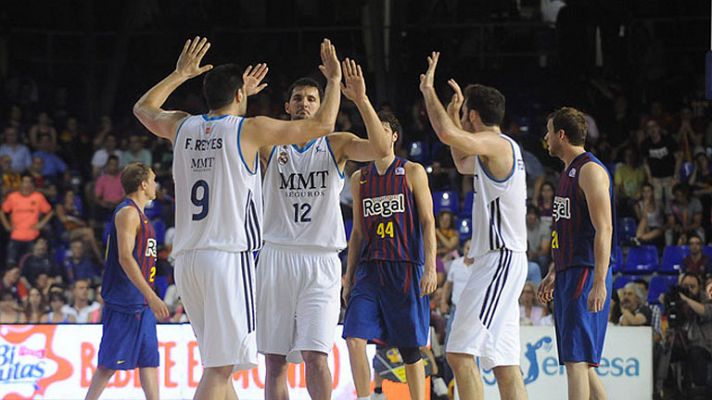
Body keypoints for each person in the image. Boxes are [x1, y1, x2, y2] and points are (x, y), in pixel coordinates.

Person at [132, 36, 342, 400]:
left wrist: (180, 74)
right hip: (227, 258)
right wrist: (335, 82)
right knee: (220, 369)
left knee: (220, 365)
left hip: (187, 261)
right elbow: (322, 126)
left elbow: (143, 109)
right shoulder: (249, 130)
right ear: (241, 96)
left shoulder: (182, 126)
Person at [257, 58, 390, 400]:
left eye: (311, 98)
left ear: (322, 105)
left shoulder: (336, 143)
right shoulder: (270, 141)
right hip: (276, 255)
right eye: (298, 98)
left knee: (317, 356)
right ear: (287, 106)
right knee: (275, 362)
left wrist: (360, 99)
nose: (304, 103)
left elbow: (381, 149)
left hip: (320, 261)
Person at [419, 52, 528, 400]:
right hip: (503, 259)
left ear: (475, 117)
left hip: (499, 261)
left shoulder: (495, 144)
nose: (462, 119)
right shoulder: (494, 150)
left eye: (465, 114)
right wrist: (453, 116)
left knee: (459, 353)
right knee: (504, 364)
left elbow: (445, 134)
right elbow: (463, 161)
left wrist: (428, 91)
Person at [341, 110, 437, 400]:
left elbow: (428, 221)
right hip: (370, 270)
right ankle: (365, 397)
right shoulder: (360, 178)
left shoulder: (412, 171)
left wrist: (430, 267)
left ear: (394, 136)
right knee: (353, 337)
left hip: (405, 267)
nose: (376, 134)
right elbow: (357, 232)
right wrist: (349, 275)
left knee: (409, 348)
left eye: (382, 129)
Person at [538, 107, 615, 400]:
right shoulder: (568, 172)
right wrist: (554, 271)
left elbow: (603, 229)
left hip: (585, 270)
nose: (545, 137)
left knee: (576, 360)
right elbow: (568, 230)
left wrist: (599, 281)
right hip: (569, 270)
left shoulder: (590, 171)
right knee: (580, 361)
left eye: (548, 131)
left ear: (561, 135)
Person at [84, 162, 168, 400]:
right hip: (125, 300)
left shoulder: (141, 214)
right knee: (109, 364)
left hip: (141, 300)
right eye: (152, 180)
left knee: (149, 360)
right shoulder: (128, 212)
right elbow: (124, 257)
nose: (155, 184)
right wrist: (152, 296)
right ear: (143, 184)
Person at [1, 174, 53, 266]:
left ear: (32, 185)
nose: (26, 184)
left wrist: (41, 224)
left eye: (29, 182)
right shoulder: (13, 197)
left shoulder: (38, 197)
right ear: (20, 184)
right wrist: (7, 226)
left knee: (31, 265)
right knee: (11, 264)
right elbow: (2, 211)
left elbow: (50, 211)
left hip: (32, 237)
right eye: (24, 181)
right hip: (15, 237)